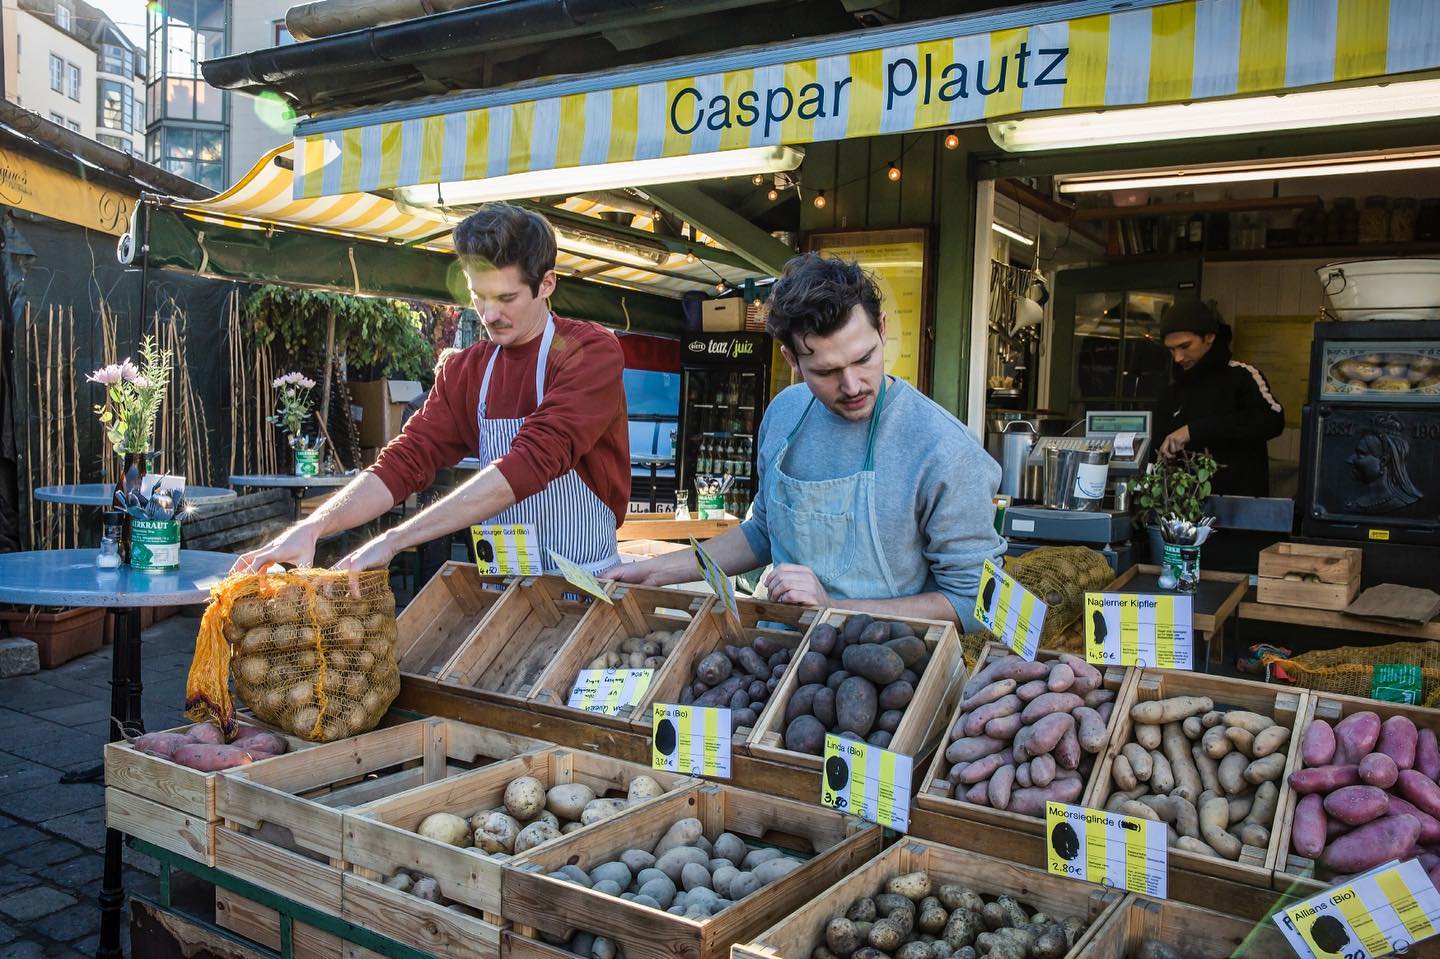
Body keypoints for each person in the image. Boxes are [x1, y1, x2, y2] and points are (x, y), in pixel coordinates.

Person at [608, 253, 1005, 630]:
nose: (852, 385)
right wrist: (656, 571)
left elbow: (976, 604)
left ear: (882, 329)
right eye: (826, 372)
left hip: (897, 665)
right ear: (793, 361)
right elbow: (763, 532)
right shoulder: (785, 413)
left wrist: (833, 609)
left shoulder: (945, 450)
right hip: (781, 649)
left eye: (864, 359)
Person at [238, 203, 629, 576]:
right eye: (479, 296)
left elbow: (534, 459)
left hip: (583, 584)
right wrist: (314, 526)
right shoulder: (467, 370)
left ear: (546, 284)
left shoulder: (589, 352)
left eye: (506, 298)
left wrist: (395, 538)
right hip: (502, 584)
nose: (490, 314)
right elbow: (406, 459)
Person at [1153, 301, 1285, 497]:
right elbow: (1156, 450)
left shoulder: (1241, 376)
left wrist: (1193, 430)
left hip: (1238, 505)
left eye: (1185, 346)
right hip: (1183, 506)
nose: (1178, 358)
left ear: (1209, 337)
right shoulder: (1172, 392)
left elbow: (1272, 420)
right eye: (1172, 350)